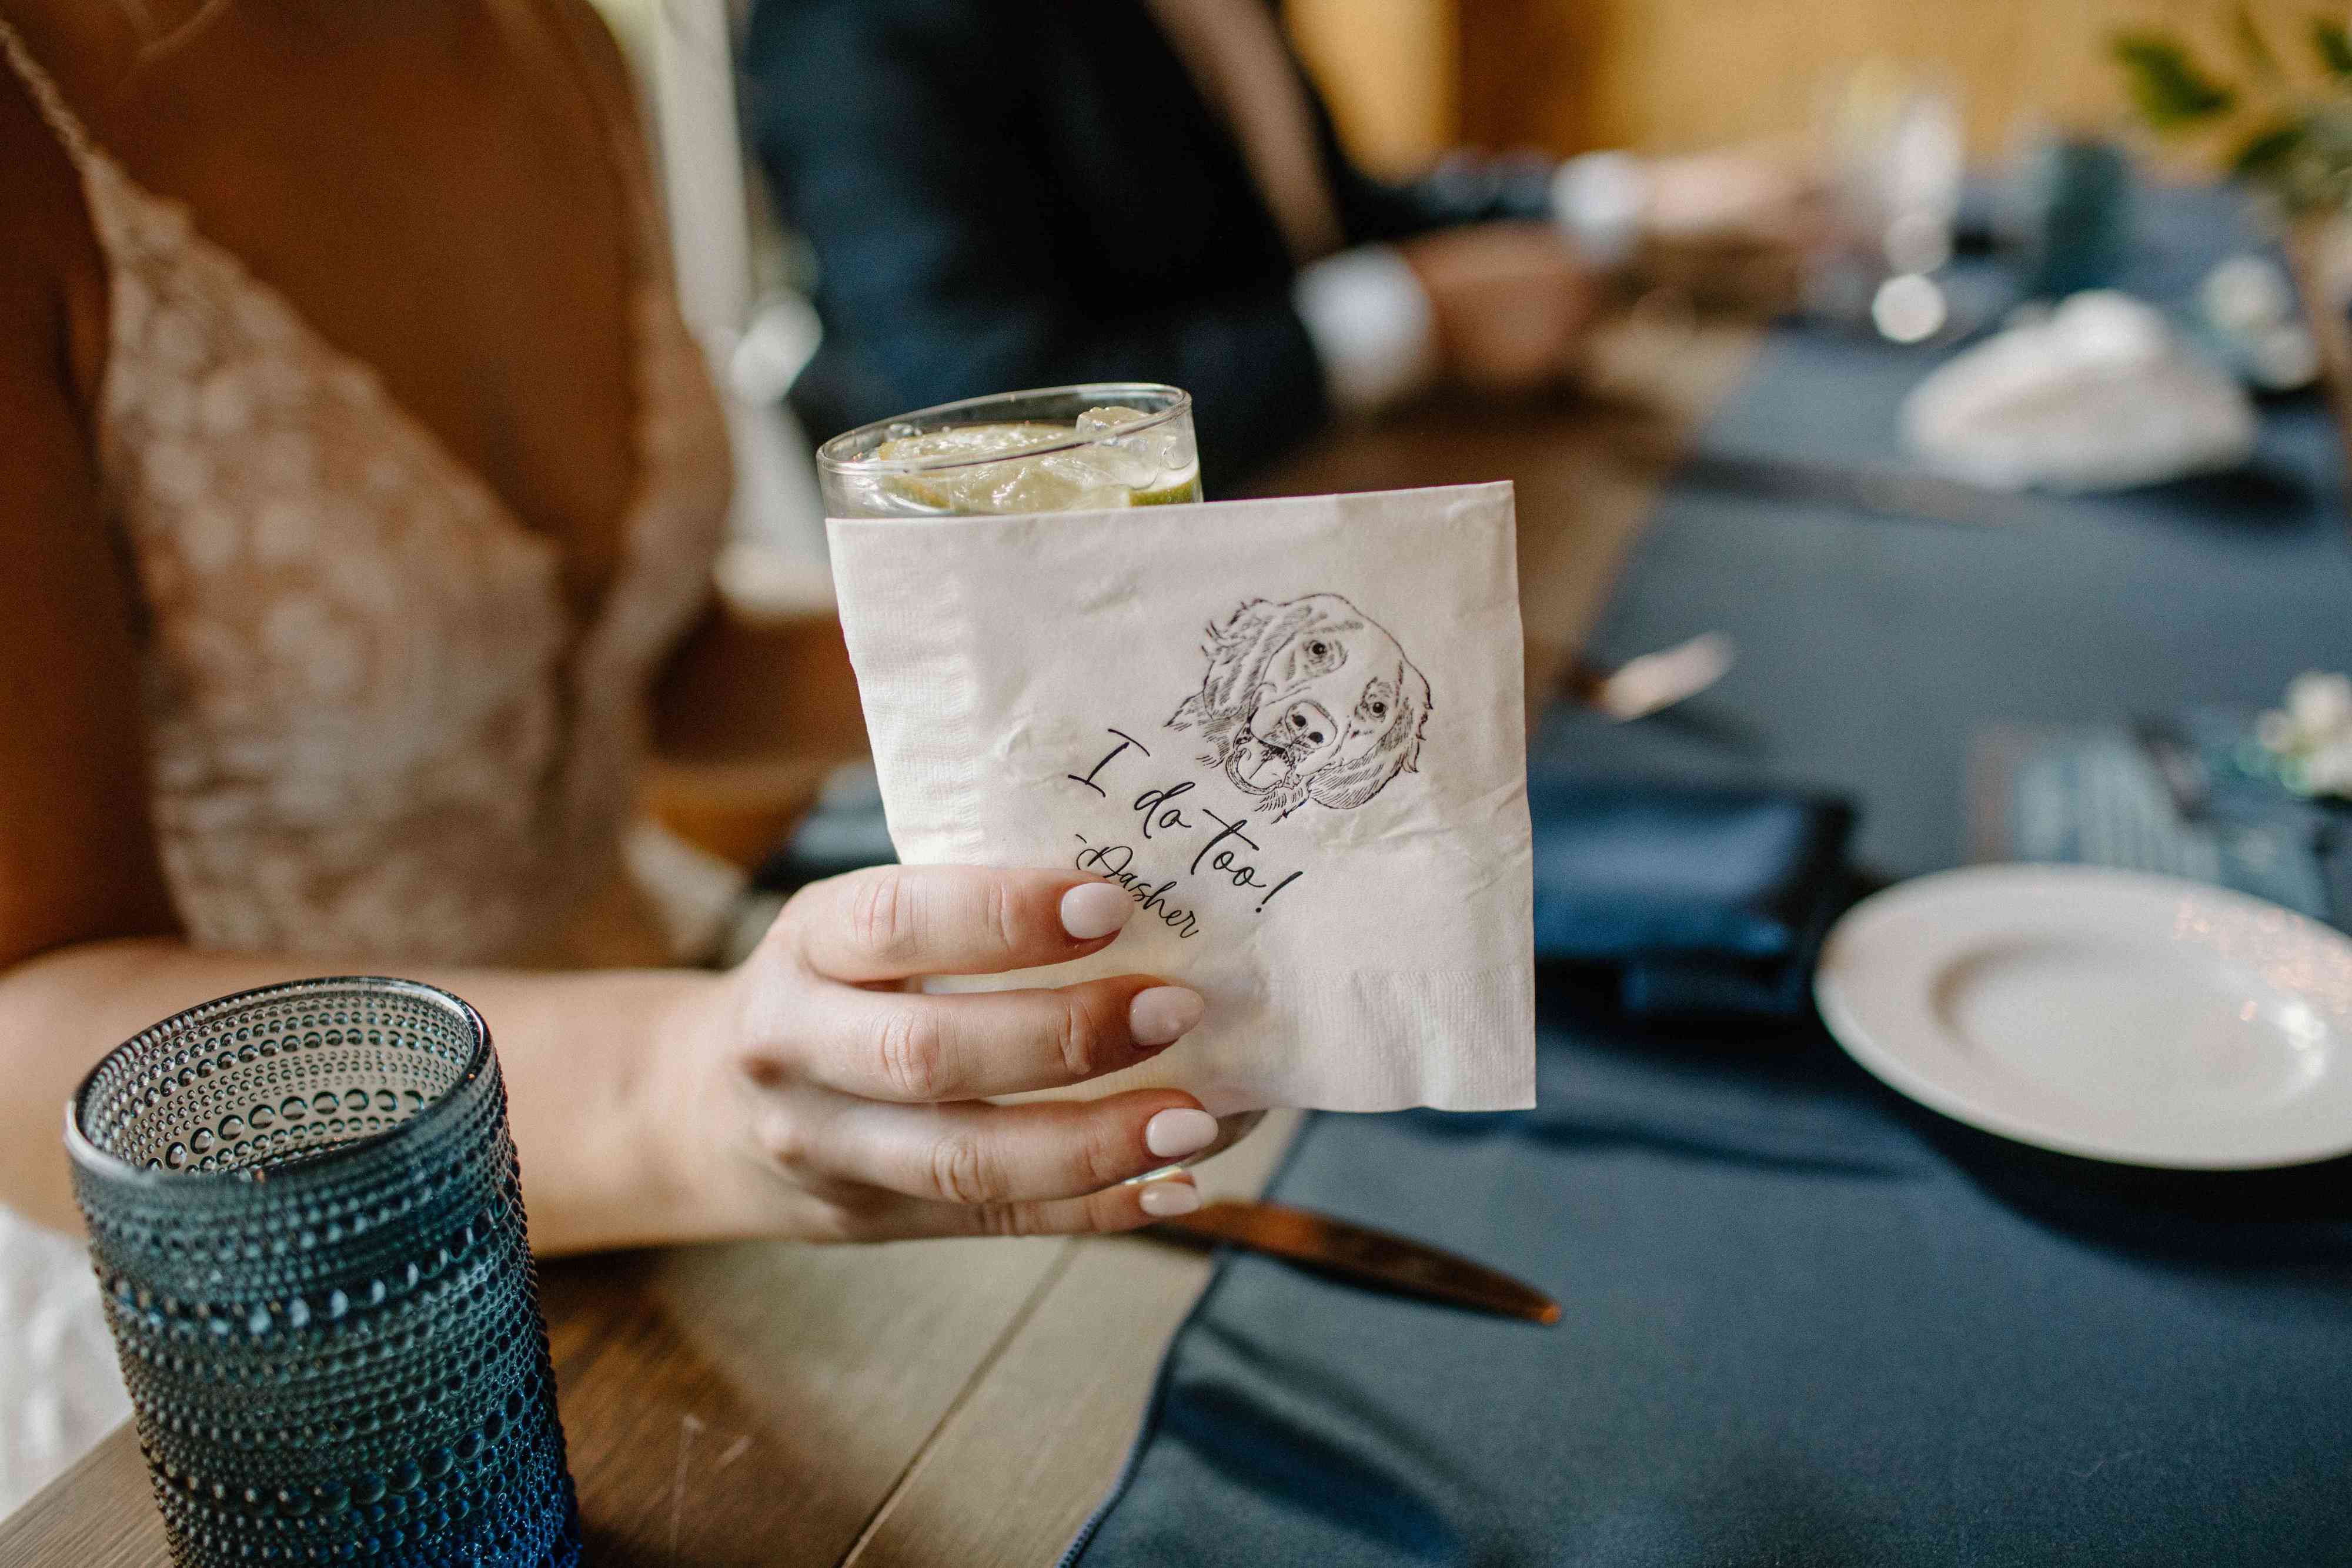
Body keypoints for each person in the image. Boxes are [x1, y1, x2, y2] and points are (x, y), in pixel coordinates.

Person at [0, 0, 1218, 1517]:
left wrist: (1049, 639)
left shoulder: (555, 35)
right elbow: (23, 1003)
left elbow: (638, 668)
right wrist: (694, 1090)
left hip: (684, 1207)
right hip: (273, 1326)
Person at [744, 0, 1815, 484]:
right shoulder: (853, 25)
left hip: (1319, 495)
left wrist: (1615, 203)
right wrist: (1421, 319)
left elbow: (1324, 215)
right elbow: (999, 408)